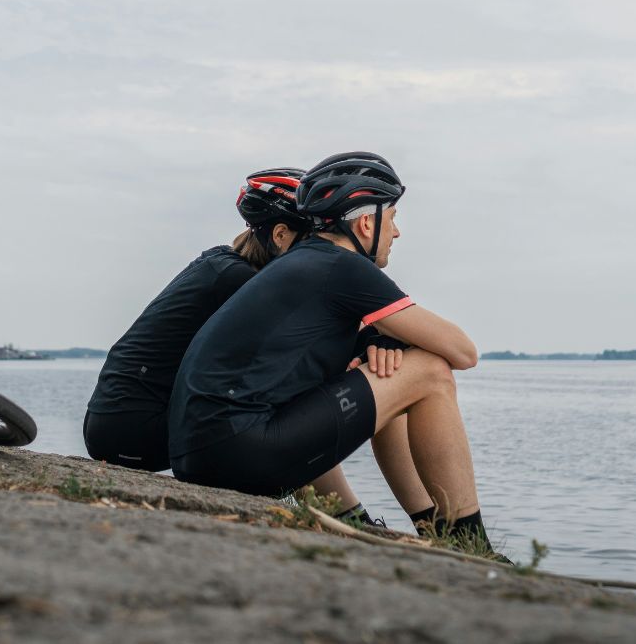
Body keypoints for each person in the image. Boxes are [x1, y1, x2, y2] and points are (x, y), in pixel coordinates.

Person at [168, 152, 503, 554]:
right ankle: (469, 544)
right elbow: (463, 352)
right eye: (392, 218)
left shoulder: (301, 262)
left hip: (203, 455)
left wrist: (384, 343)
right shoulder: (343, 266)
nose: (396, 233)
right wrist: (395, 338)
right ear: (366, 223)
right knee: (429, 370)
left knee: (390, 371)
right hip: (239, 453)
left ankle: (424, 526)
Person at [83, 168, 311, 473]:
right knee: (297, 386)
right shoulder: (239, 281)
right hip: (134, 433)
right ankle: (334, 503)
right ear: (280, 235)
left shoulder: (221, 263)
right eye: (310, 240)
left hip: (111, 426)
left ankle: (320, 500)